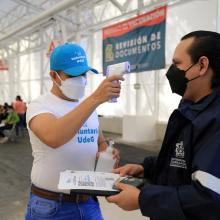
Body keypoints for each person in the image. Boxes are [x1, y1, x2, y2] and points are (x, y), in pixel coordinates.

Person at [107, 30, 220, 220]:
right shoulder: (192, 108)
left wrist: (143, 199)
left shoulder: (215, 121)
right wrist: (146, 168)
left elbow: (209, 197)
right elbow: (182, 162)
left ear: (202, 65)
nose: (171, 72)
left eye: (177, 64)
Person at [25, 43, 122, 220]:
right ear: (53, 76)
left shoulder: (88, 104)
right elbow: (53, 137)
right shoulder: (39, 105)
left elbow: (98, 142)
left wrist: (106, 154)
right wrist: (95, 98)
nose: (80, 79)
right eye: (72, 75)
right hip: (50, 206)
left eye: (83, 73)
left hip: (88, 202)